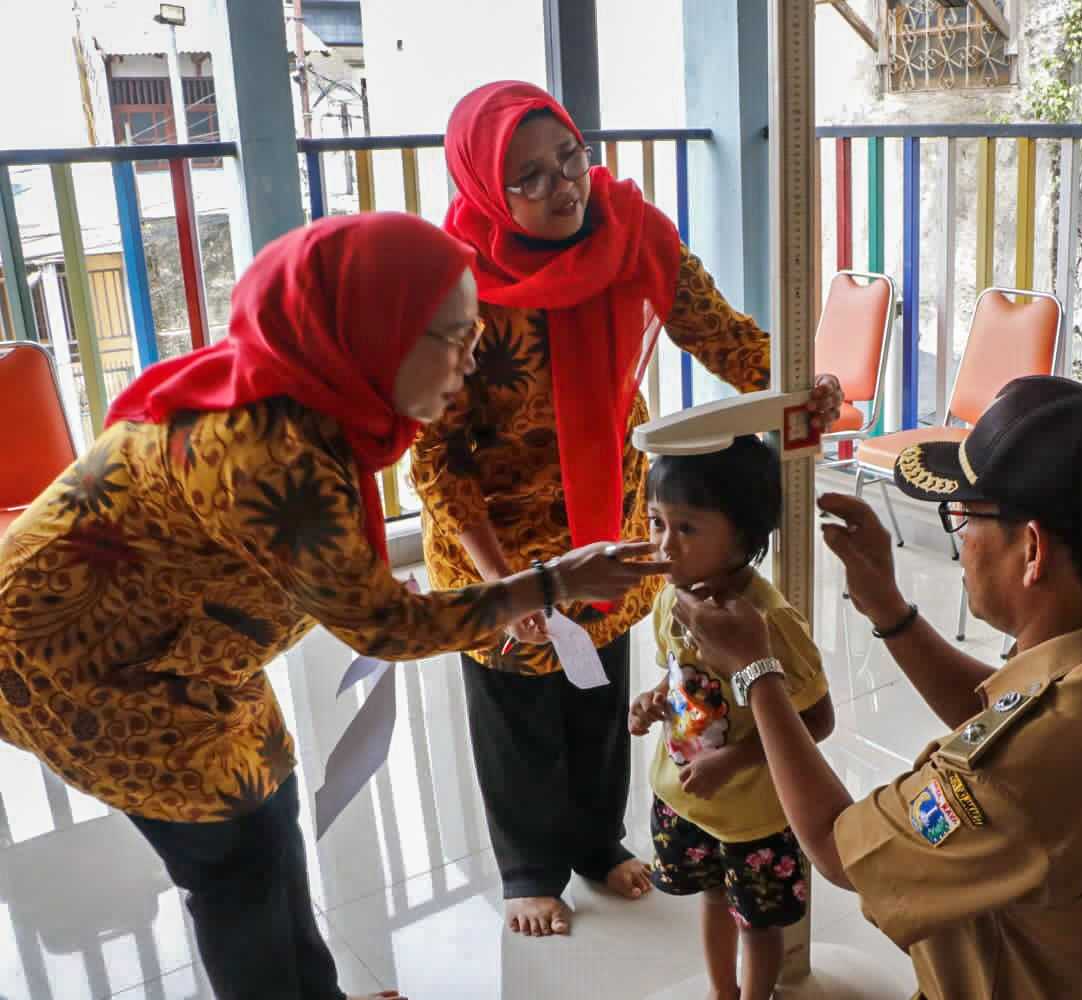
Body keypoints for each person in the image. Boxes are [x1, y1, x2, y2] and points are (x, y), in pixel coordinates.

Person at [0, 213, 663, 1000]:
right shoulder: (267, 450)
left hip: (183, 645)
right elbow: (387, 628)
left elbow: (324, 578)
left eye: (474, 331)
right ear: (369, 331)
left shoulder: (304, 389)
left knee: (270, 805)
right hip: (79, 666)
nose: (469, 360)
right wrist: (548, 583)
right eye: (448, 338)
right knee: (233, 863)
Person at [411, 81, 844, 938]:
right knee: (517, 707)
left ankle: (595, 841)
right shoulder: (454, 287)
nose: (563, 185)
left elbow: (719, 332)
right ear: (488, 187)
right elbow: (436, 460)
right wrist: (509, 584)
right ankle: (529, 867)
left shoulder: (634, 237)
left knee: (601, 690)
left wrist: (796, 389)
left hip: (605, 507)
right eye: (529, 177)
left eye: (569, 157)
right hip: (492, 531)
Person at [674, 376, 1082, 999]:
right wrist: (889, 611)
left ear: (1033, 549)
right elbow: (1004, 716)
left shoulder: (1020, 773)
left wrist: (756, 670)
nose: (961, 539)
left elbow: (837, 848)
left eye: (966, 516)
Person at [627, 436, 834, 1000]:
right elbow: (682, 679)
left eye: (687, 528)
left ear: (744, 534)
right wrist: (653, 700)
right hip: (686, 798)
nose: (665, 546)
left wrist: (735, 761)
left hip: (756, 814)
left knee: (759, 923)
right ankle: (724, 993)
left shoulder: (771, 623)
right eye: (655, 523)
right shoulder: (671, 599)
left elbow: (817, 720)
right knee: (714, 900)